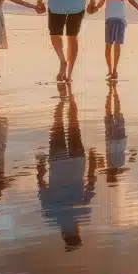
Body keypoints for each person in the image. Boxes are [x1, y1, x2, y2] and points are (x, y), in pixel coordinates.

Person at [37, 82, 97, 250]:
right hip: (57, 161)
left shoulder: (83, 214)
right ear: (64, 234)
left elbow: (91, 182)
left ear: (77, 232)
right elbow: (42, 185)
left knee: (73, 122)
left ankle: (69, 95)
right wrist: (40, 166)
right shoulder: (50, 215)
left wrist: (93, 161)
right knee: (57, 123)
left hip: (77, 161)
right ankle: (62, 97)